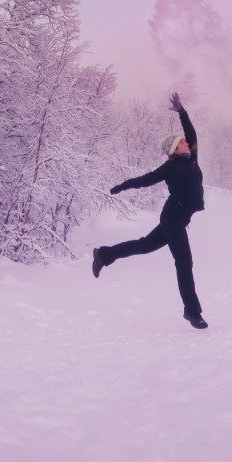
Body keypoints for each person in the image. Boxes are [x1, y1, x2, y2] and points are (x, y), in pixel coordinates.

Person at [92, 91, 208, 329]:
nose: (187, 142)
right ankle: (192, 312)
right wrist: (123, 186)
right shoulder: (170, 167)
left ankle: (104, 255)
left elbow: (192, 133)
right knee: (184, 263)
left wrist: (182, 113)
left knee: (145, 246)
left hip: (179, 218)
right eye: (182, 143)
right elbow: (145, 179)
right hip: (173, 219)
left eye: (185, 142)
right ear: (175, 150)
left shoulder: (192, 159)